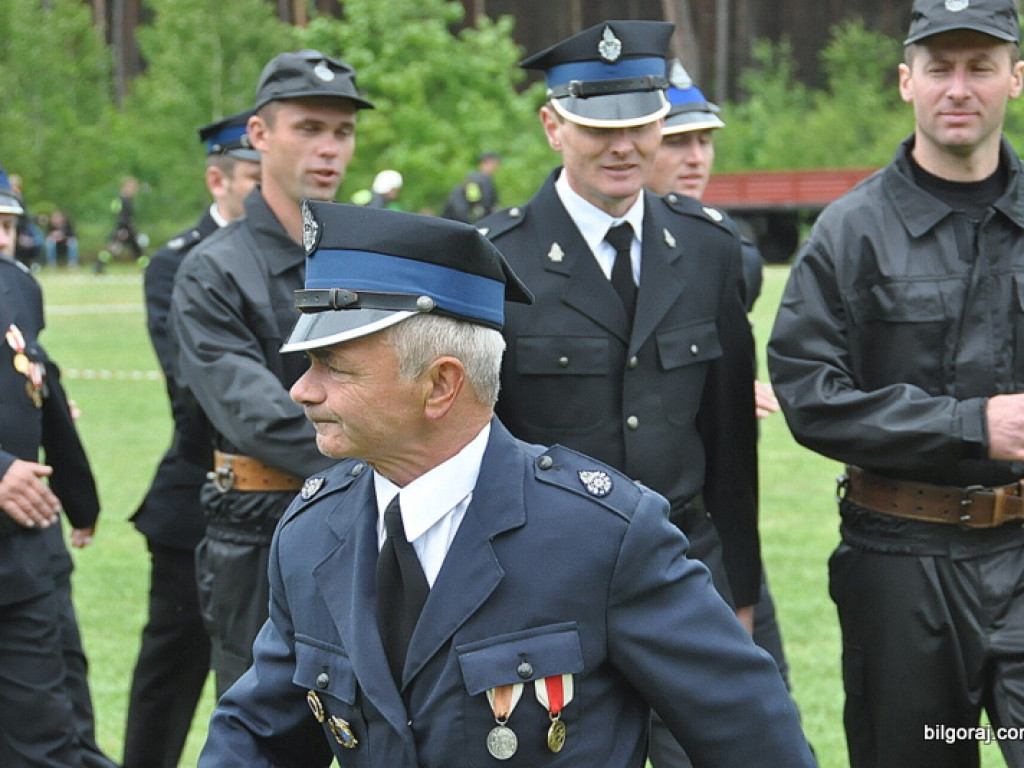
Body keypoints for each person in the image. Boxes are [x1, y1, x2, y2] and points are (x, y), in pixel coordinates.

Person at [197, 200, 815, 767]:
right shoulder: (311, 536)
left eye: (333, 366)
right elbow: (255, 737)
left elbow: (755, 741)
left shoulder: (602, 538)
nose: (303, 390)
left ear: (441, 384)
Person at [478, 19, 763, 758]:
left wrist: (740, 594)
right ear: (552, 126)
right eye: (597, 127)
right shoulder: (495, 261)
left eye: (640, 124)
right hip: (545, 585)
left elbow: (732, 442)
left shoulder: (707, 249)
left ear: (662, 122)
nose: (622, 146)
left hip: (682, 573)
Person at [767, 1, 1024, 765]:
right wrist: (971, 426)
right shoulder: (851, 233)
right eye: (939, 68)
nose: (959, 87)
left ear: (1016, 78)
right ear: (906, 81)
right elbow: (810, 397)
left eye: (980, 67)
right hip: (900, 563)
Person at [169, 49, 374, 697]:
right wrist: (394, 463)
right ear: (259, 136)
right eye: (308, 128)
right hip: (263, 523)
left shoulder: (373, 258)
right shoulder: (214, 270)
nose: (329, 150)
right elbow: (254, 413)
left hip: (375, 519)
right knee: (265, 731)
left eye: (342, 132)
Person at [642, 60, 796, 768]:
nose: (695, 157)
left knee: (761, 725)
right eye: (677, 141)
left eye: (704, 140)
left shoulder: (727, 249)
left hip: (713, 530)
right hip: (621, 533)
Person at [122, 108, 261, 768]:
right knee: (170, 678)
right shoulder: (179, 265)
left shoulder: (312, 252)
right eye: (254, 179)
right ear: (219, 180)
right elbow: (195, 393)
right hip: (202, 495)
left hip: (292, 496)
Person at [0, 165, 113, 767]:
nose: (1, 237)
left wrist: (78, 495)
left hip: (23, 542)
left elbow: (37, 384)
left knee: (59, 725)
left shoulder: (17, 286)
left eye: (9, 223)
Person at [441, 150, 501, 223]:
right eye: (495, 163)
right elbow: (474, 201)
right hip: (460, 219)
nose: (497, 167)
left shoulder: (481, 180)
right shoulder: (475, 180)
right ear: (486, 162)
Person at [106, 175, 145, 262]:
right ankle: (98, 265)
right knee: (113, 248)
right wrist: (123, 228)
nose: (135, 190)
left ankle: (99, 265)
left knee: (136, 250)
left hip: (125, 228)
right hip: (124, 229)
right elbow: (121, 216)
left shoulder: (121, 199)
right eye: (134, 187)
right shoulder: (123, 200)